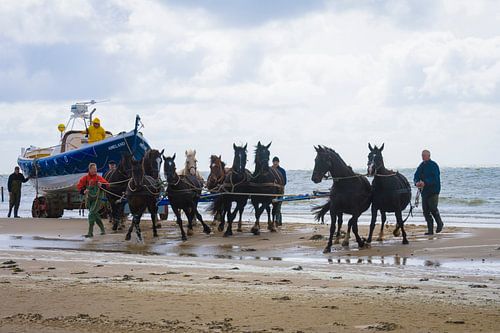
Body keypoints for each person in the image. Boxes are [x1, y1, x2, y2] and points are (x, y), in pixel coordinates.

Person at [414, 149, 443, 235]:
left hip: (434, 190)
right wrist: (417, 182)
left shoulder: (434, 165)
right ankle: (430, 230)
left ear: (428, 156)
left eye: (424, 155)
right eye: (422, 155)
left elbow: (435, 178)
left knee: (433, 208)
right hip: (424, 191)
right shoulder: (421, 165)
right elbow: (416, 175)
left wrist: (425, 182)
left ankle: (440, 223)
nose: (422, 157)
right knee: (425, 211)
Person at [77, 163, 109, 237]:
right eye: (93, 169)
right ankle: (102, 229)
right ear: (90, 169)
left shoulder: (99, 178)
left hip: (98, 198)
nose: (95, 170)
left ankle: (90, 232)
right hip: (89, 199)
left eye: (96, 169)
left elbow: (107, 185)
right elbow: (79, 187)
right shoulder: (85, 178)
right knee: (95, 214)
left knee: (91, 213)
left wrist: (102, 185)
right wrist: (84, 191)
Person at [272, 156, 287, 226]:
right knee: (275, 206)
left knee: (278, 206)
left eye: (276, 162)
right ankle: (279, 221)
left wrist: (278, 185)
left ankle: (277, 221)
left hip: (280, 191)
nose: (275, 163)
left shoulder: (282, 170)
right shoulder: (270, 169)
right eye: (274, 162)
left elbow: (285, 182)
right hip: (272, 192)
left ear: (278, 162)